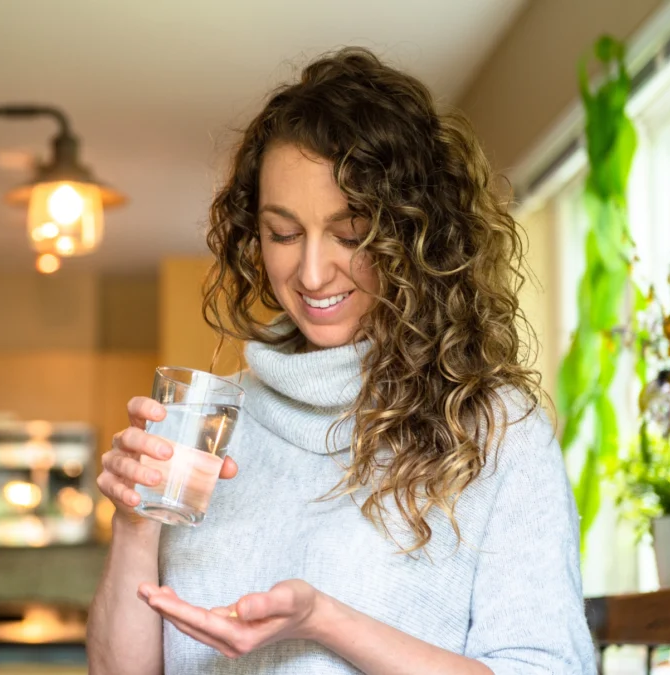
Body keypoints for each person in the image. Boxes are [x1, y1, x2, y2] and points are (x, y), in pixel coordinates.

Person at [88, 47, 596, 675]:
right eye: (283, 233)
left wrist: (324, 622)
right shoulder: (211, 429)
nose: (310, 272)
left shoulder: (492, 429)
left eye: (351, 234)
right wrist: (135, 528)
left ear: (416, 234)